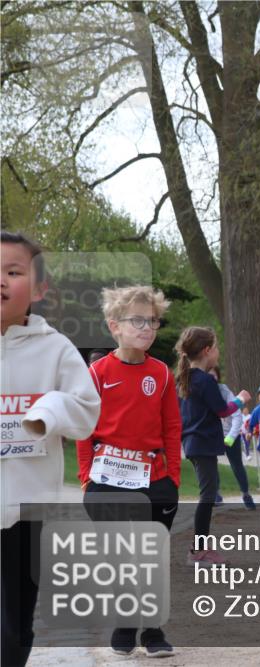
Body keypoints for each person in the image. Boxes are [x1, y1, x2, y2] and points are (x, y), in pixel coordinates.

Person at [1, 232, 101, 667]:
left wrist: (48, 410)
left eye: (13, 271)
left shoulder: (55, 348)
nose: (0, 280)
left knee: (18, 615)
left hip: (27, 509)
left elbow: (85, 411)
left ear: (38, 290)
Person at [76, 285, 180, 657]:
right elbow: (84, 428)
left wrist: (174, 478)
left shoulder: (162, 374)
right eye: (137, 321)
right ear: (114, 326)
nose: (147, 328)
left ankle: (152, 633)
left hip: (154, 478)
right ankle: (126, 623)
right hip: (106, 478)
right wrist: (86, 475)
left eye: (152, 321)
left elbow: (171, 427)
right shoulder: (97, 373)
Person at [175, 326, 250, 566]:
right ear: (207, 350)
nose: (218, 352)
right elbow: (222, 410)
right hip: (203, 443)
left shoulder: (185, 378)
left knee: (209, 494)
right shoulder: (205, 381)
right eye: (216, 347)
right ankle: (198, 550)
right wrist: (240, 400)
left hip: (194, 442)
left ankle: (200, 547)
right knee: (208, 496)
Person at [207, 367, 255, 510]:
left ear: (218, 377)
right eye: (207, 375)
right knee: (210, 465)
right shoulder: (202, 391)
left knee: (237, 465)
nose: (211, 379)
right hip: (212, 436)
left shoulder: (224, 391)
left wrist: (231, 436)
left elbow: (236, 415)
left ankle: (246, 494)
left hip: (230, 435)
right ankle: (216, 494)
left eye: (213, 375)